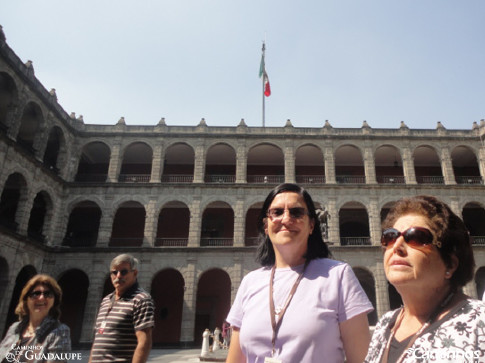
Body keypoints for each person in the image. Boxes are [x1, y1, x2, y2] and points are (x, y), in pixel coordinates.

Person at [226, 183, 373, 363]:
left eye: (296, 212)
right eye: (277, 212)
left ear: (311, 225)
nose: (286, 219)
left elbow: (361, 359)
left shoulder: (338, 275)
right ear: (266, 225)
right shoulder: (250, 281)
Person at [365, 195, 485, 363]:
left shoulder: (480, 322)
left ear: (450, 264)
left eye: (416, 237)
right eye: (390, 237)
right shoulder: (385, 324)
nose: (397, 247)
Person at [89, 254, 155, 363]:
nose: (118, 276)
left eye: (123, 272)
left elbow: (144, 342)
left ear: (135, 273)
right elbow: (97, 341)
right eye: (114, 272)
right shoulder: (106, 300)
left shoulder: (141, 300)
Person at [0, 274, 71, 363]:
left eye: (47, 294)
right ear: (26, 299)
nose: (41, 298)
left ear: (54, 301)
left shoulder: (59, 331)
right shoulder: (15, 328)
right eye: (35, 294)